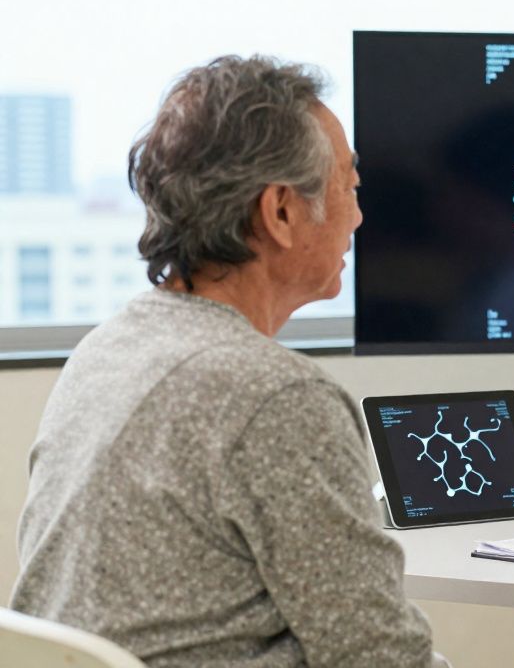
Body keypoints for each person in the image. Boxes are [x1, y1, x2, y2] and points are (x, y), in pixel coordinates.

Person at [11, 56, 443, 667]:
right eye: (351, 186)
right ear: (282, 212)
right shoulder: (275, 399)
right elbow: (381, 659)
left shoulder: (105, 349)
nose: (359, 215)